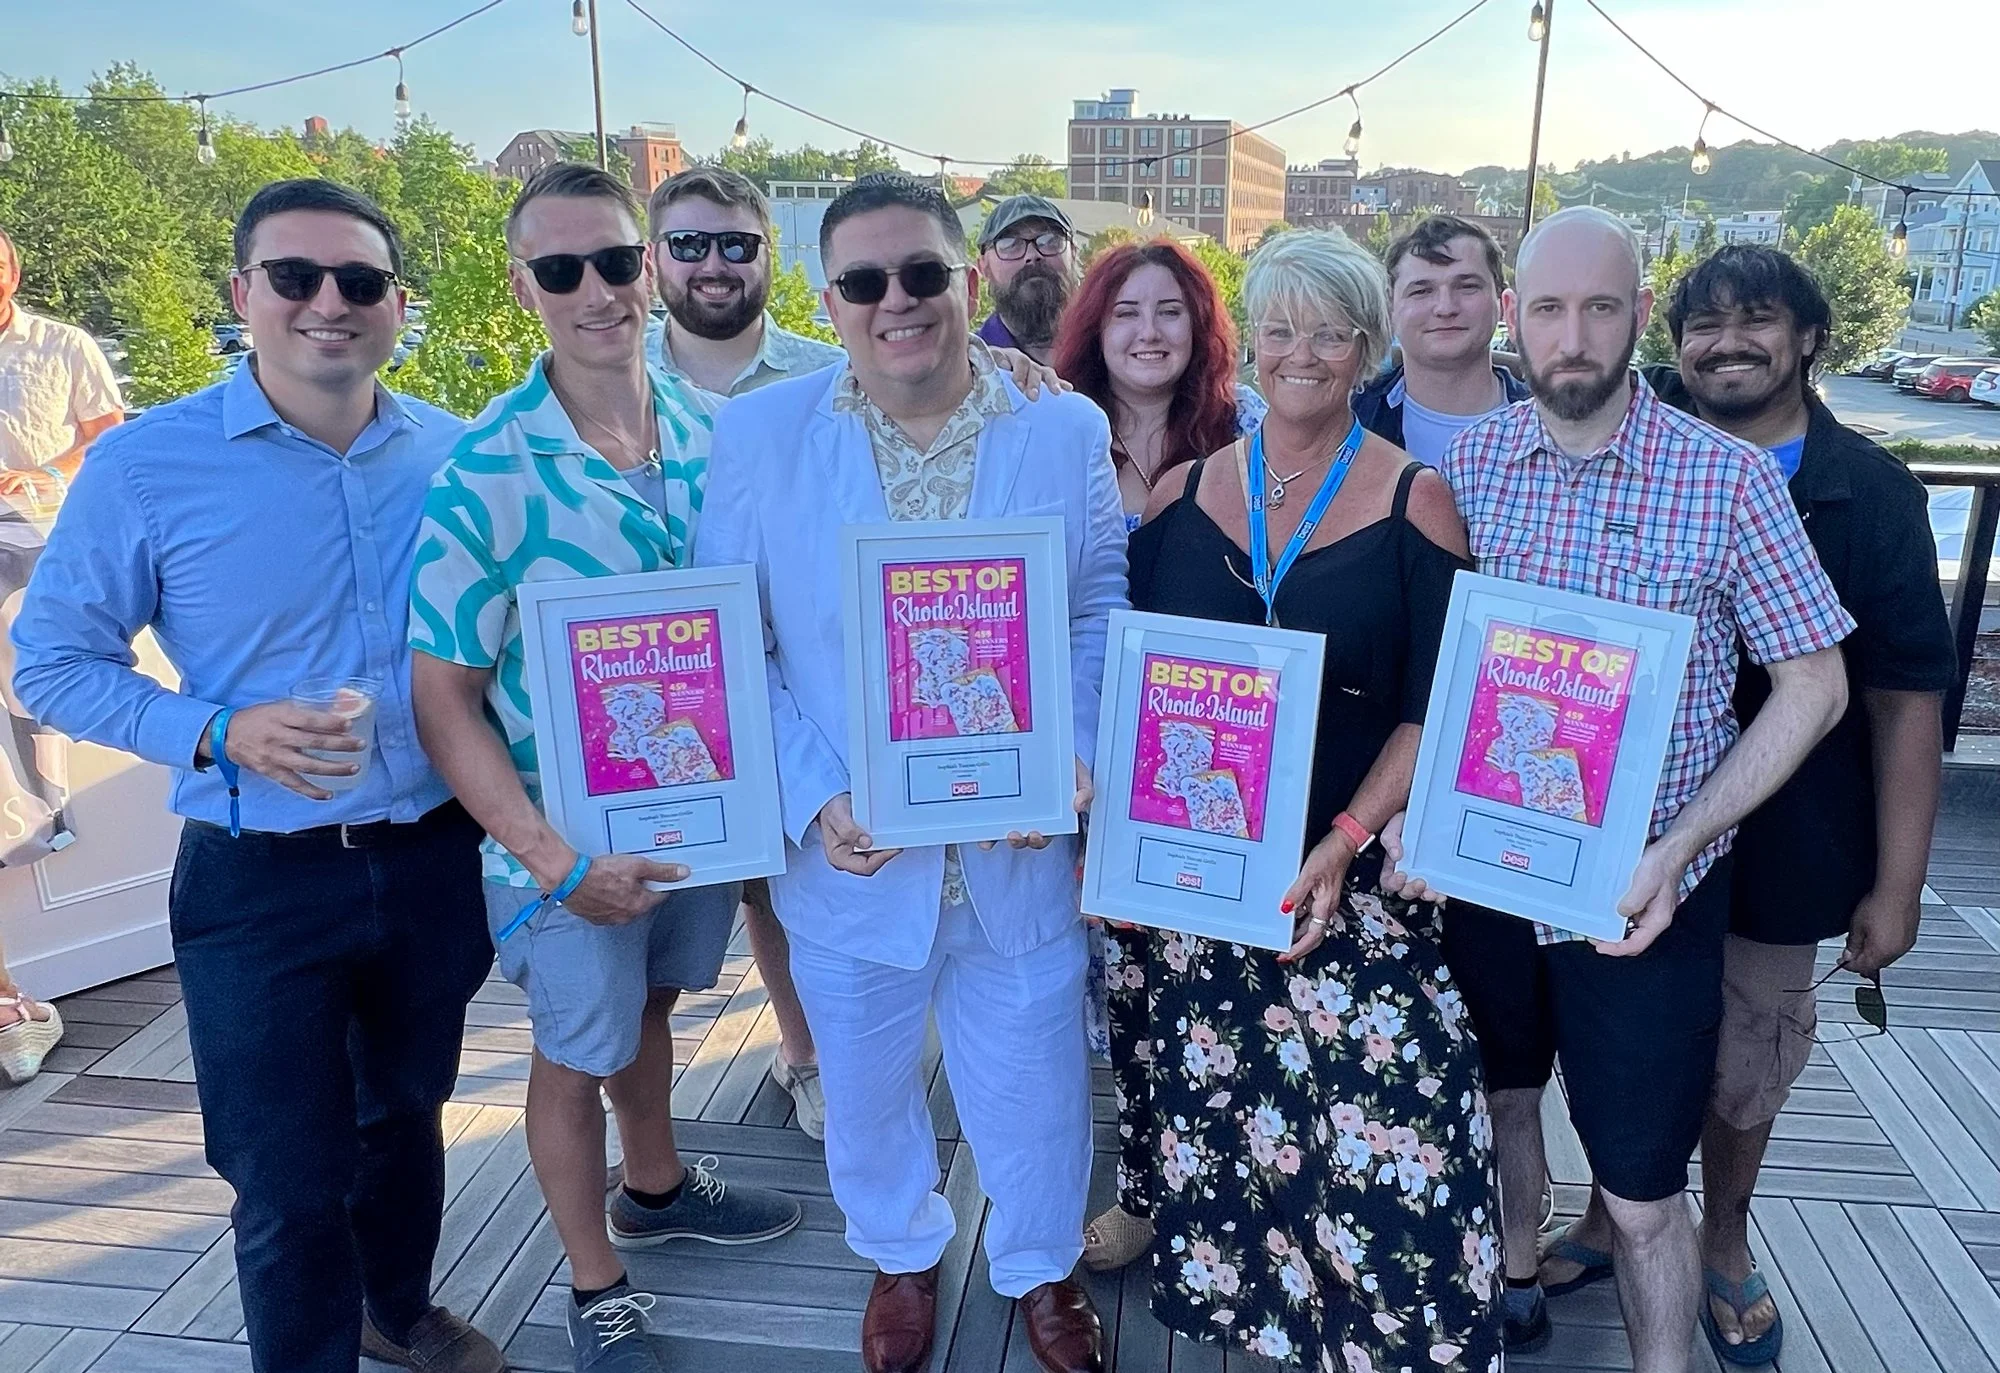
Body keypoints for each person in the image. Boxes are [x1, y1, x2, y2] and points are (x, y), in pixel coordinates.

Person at [11, 180, 502, 1373]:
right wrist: (216, 729)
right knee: (282, 1172)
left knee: (404, 1115)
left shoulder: (459, 453)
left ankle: (397, 1303)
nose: (328, 303)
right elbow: (52, 662)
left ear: (396, 305)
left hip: (433, 854)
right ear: (243, 296)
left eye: (360, 282)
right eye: (295, 277)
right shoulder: (147, 467)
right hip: (258, 878)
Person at [1386, 207, 1854, 1373]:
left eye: (1600, 306)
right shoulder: (1466, 466)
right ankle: (1513, 1274)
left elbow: (1814, 685)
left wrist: (1684, 839)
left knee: (1643, 1192)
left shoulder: (1730, 479)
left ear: (1639, 315)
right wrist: (1412, 800)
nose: (1572, 334)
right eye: (1546, 308)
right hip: (1489, 870)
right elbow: (1434, 666)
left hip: (1644, 891)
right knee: (1501, 1102)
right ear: (1515, 320)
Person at [696, 172, 1122, 1373]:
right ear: (825, 300)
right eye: (864, 281)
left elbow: (1095, 605)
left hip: (1014, 848)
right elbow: (738, 641)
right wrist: (812, 790)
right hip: (848, 852)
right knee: (869, 1089)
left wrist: (1070, 755)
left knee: (1035, 1086)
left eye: (923, 273)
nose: (898, 301)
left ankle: (1038, 1268)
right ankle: (898, 1250)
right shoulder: (761, 434)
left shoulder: (1061, 427)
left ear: (965, 280)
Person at [408, 163, 802, 1373]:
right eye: (561, 268)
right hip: (562, 837)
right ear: (522, 283)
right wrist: (552, 858)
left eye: (618, 261)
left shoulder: (709, 435)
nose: (597, 290)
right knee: (570, 1047)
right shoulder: (486, 469)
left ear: (650, 269)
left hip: (691, 817)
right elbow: (442, 699)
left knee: (649, 1002)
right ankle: (594, 1284)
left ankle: (657, 1181)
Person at [1088, 228, 1502, 1370]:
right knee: (1223, 1136)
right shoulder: (1180, 494)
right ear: (1250, 344)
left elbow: (1438, 704)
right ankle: (1272, 1334)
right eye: (1278, 327)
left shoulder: (1416, 499)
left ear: (1364, 346)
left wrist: (1347, 834)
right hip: (1197, 885)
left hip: (1348, 878)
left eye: (1328, 330)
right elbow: (1139, 688)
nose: (1300, 351)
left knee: (1398, 1137)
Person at [1595, 247, 1947, 1365]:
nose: (1725, 341)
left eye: (1756, 320)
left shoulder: (1872, 494)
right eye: (1701, 323)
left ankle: (1727, 1232)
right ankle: (1620, 1206)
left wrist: (1894, 888)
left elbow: (1902, 705)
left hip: (1787, 841)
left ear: (1806, 338)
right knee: (1629, 1034)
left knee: (1748, 1052)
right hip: (1628, 828)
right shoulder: (1623, 443)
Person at [642, 165, 846, 1138]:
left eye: (735, 244)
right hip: (649, 690)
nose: (713, 264)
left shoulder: (827, 374)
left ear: (771, 255)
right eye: (689, 244)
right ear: (653, 259)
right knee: (645, 937)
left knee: (786, 869)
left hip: (790, 671)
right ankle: (649, 1158)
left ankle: (804, 1048)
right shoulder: (608, 373)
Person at [0, 223, 127, 1078]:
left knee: (36, 708)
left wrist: (40, 466)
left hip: (36, 537)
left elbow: (107, 428)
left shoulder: (60, 344)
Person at [1049, 237, 1266, 527]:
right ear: (1096, 331)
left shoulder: (1242, 420)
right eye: (1127, 313)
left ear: (1198, 326)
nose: (1149, 333)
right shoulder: (1055, 430)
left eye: (1169, 312)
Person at [1354, 215, 1529, 463]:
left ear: (1501, 299)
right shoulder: (1347, 422)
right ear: (1390, 306)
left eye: (1467, 286)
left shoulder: (1555, 425)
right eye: (1422, 291)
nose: (1445, 308)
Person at [975, 194, 1080, 362]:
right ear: (983, 267)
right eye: (1010, 244)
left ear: (1074, 253)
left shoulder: (1109, 353)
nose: (1032, 255)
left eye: (1049, 240)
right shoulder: (972, 365)